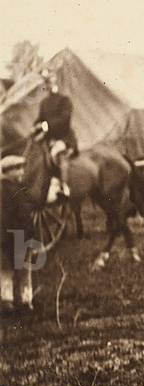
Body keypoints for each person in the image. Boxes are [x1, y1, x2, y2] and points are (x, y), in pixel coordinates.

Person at [32, 70, 77, 198]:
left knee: (57, 154)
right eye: (47, 83)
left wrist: (45, 126)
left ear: (56, 83)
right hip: (48, 139)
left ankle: (64, 187)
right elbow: (39, 119)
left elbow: (65, 120)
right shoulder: (44, 103)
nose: (49, 85)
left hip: (64, 138)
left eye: (51, 82)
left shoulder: (64, 100)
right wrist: (34, 127)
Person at [1, 155, 36, 316]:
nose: (22, 171)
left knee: (6, 269)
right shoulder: (17, 191)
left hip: (6, 237)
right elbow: (23, 216)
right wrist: (30, 233)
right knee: (23, 270)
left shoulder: (8, 189)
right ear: (8, 172)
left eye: (22, 168)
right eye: (18, 168)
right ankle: (25, 300)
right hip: (18, 236)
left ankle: (7, 300)